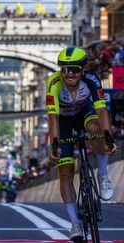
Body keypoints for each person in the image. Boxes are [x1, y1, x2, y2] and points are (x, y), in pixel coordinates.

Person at [46, 47, 118, 241]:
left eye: (74, 69)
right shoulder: (53, 82)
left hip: (84, 113)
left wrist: (108, 137)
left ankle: (103, 175)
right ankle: (75, 225)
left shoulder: (92, 80)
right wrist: (54, 144)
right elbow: (52, 117)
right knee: (65, 172)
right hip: (63, 122)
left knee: (96, 129)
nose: (69, 74)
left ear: (83, 70)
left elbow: (102, 110)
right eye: (65, 69)